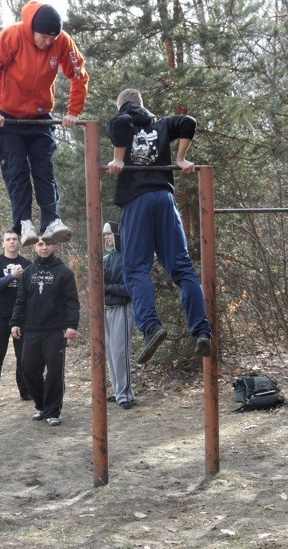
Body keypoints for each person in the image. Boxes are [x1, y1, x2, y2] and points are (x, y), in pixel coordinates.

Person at [105, 88, 212, 365]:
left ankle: (151, 327)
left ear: (123, 105)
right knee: (182, 267)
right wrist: (180, 158)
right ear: (142, 105)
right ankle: (201, 330)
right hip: (165, 199)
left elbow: (120, 123)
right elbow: (188, 121)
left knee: (135, 269)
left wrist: (118, 159)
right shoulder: (161, 124)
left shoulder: (122, 118)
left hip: (137, 202)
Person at [0, 0, 89, 247]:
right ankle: (24, 222)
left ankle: (51, 220)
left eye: (53, 38)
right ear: (32, 29)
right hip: (9, 118)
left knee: (44, 169)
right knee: (16, 171)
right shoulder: (13, 36)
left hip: (40, 117)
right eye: (44, 37)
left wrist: (73, 111)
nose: (48, 43)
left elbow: (79, 75)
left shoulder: (62, 42)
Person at [10, 239, 79, 426]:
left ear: (54, 245)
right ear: (34, 246)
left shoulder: (63, 272)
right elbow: (21, 300)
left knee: (55, 372)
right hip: (31, 329)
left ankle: (52, 411)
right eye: (40, 244)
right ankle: (41, 405)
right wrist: (15, 322)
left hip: (55, 331)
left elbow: (71, 301)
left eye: (48, 244)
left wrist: (71, 325)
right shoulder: (29, 272)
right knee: (28, 368)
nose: (44, 247)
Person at [0, 230, 33, 404]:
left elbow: (31, 290)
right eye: (8, 240)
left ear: (19, 242)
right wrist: (11, 276)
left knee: (23, 357)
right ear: (3, 243)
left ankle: (25, 391)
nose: (12, 242)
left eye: (14, 239)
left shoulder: (27, 263)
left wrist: (21, 278)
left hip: (21, 317)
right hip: (1, 317)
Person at [102, 221, 136, 409]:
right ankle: (118, 391)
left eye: (109, 233)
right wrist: (108, 290)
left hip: (123, 308)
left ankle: (126, 394)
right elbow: (96, 283)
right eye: (105, 234)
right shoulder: (107, 257)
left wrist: (107, 288)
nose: (106, 237)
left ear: (117, 234)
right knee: (110, 352)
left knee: (120, 352)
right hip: (107, 309)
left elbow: (129, 289)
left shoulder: (129, 257)